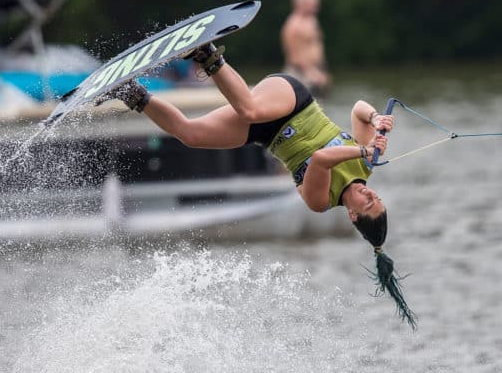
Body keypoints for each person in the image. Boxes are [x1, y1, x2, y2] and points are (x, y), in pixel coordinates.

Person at [109, 43, 416, 328]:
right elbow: (358, 108)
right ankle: (207, 54)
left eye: (369, 203)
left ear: (353, 215)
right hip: (293, 101)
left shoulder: (321, 200)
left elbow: (322, 159)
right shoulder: (365, 167)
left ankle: (129, 92)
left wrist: (363, 149)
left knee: (191, 134)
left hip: (266, 133)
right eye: (377, 198)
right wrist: (375, 119)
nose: (371, 194)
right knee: (250, 109)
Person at [281, 0, 330, 95]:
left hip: (315, 72)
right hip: (300, 74)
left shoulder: (312, 20)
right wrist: (312, 73)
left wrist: (321, 70)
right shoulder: (294, 25)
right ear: (300, 2)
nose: (317, 4)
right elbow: (294, 55)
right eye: (313, 1)